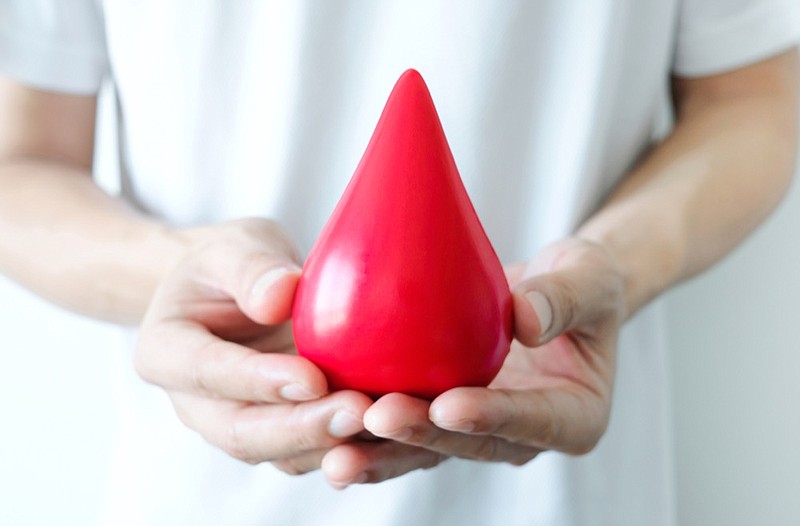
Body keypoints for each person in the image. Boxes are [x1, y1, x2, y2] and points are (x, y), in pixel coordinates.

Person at [0, 1, 798, 525]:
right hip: (205, 492)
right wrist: (194, 283)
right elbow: (20, 162)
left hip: (567, 494)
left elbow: (753, 97)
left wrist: (611, 269)